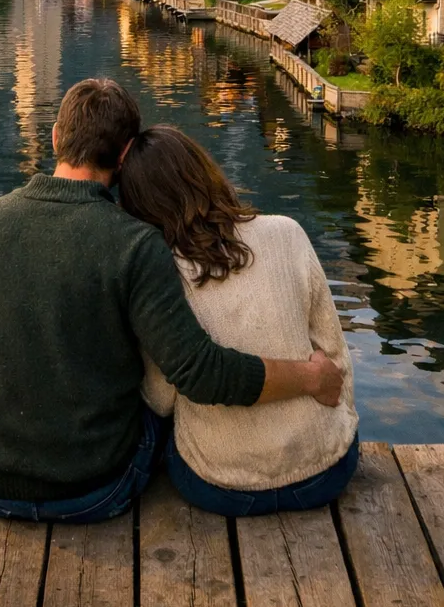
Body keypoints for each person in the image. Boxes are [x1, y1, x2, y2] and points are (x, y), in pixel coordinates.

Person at [0, 78, 343, 523]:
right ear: (126, 155)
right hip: (98, 489)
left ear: (55, 137)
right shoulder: (138, 244)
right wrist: (309, 377)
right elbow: (197, 373)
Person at [118, 125, 358, 517]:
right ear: (203, 171)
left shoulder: (164, 274)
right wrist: (338, 428)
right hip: (325, 472)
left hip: (221, 486)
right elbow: (335, 354)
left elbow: (161, 398)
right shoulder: (288, 232)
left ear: (140, 207)